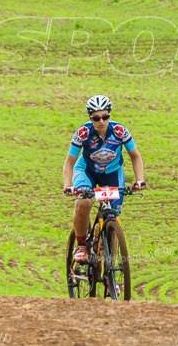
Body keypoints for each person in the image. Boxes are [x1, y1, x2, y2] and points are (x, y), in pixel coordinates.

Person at [62, 95, 146, 263]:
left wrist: (140, 180)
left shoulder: (120, 131)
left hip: (113, 174)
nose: (101, 121)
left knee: (113, 219)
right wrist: (68, 185)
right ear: (90, 118)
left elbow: (135, 157)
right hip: (87, 171)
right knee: (83, 202)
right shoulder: (83, 133)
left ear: (109, 115)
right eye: (96, 118)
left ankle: (110, 273)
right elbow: (70, 162)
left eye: (105, 116)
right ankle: (81, 246)